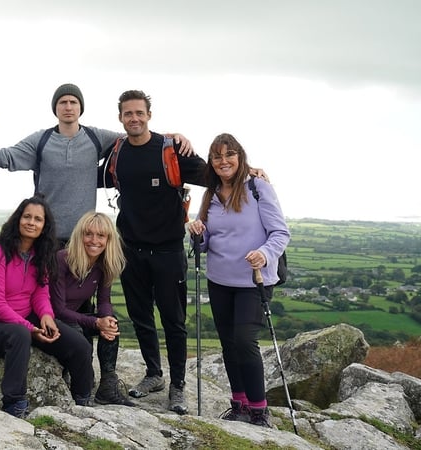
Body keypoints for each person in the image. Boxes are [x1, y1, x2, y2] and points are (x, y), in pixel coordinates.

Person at [97, 89, 208, 415]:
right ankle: (154, 375)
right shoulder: (116, 152)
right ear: (120, 118)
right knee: (141, 316)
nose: (134, 118)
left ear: (149, 115)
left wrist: (250, 172)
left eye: (139, 113)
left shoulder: (171, 149)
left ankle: (178, 386)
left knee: (174, 322)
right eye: (128, 113)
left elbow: (212, 175)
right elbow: (91, 177)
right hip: (130, 248)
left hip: (168, 249)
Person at [0, 83, 193, 243]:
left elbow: (136, 136)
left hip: (83, 238)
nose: (68, 107)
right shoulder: (40, 140)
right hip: (46, 235)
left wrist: (171, 137)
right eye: (63, 102)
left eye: (74, 102)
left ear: (81, 108)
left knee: (78, 299)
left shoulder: (95, 137)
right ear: (55, 108)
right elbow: (3, 157)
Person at [187, 133, 289, 428]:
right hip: (219, 280)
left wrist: (264, 253)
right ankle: (239, 404)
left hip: (254, 280)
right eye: (217, 157)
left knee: (245, 341)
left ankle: (259, 410)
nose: (223, 161)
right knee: (229, 344)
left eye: (229, 154)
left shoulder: (258, 187)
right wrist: (197, 232)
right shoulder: (210, 194)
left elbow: (280, 233)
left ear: (240, 157)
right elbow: (205, 244)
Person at [0, 195, 94, 418]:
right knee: (20, 334)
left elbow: (41, 292)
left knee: (81, 346)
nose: (31, 222)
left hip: (27, 319)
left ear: (44, 226)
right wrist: (29, 328)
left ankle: (82, 401)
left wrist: (46, 316)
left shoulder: (41, 256)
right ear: (18, 220)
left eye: (38, 219)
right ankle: (14, 403)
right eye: (27, 216)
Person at [50, 211, 134, 406]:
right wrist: (96, 322)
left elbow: (104, 300)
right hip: (52, 319)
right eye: (88, 234)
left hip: (74, 318)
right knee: (79, 332)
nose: (94, 240)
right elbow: (58, 309)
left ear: (108, 239)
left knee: (112, 324)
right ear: (80, 235)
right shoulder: (62, 259)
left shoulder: (104, 264)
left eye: (101, 235)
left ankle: (107, 387)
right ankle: (79, 391)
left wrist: (106, 320)